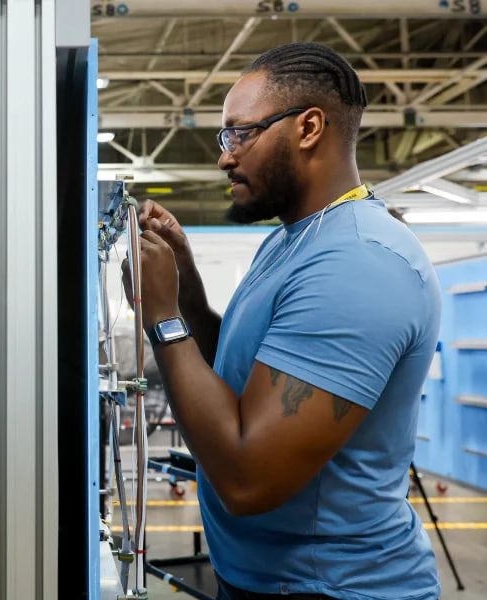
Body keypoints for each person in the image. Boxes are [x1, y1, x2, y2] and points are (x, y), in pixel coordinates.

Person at [130, 43, 440, 599]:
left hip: (332, 587)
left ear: (309, 127)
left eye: (239, 133)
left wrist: (163, 318)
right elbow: (246, 378)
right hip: (263, 578)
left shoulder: (359, 262)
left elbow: (249, 480)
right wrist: (187, 290)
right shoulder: (291, 240)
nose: (225, 156)